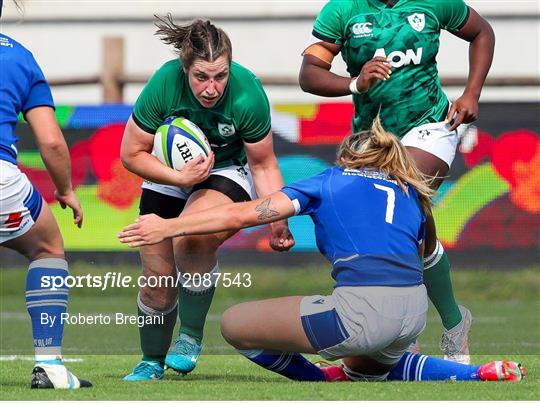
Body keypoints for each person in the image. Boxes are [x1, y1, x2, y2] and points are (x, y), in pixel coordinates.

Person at [118, 117, 524, 383]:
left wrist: (169, 225)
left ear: (348, 156)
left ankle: (318, 379)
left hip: (362, 315)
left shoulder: (330, 179)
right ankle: (474, 375)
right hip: (413, 316)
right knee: (366, 369)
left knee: (234, 325)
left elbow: (241, 215)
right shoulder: (407, 191)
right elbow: (425, 257)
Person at [298, 0, 496, 364]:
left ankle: (406, 335)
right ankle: (453, 321)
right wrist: (355, 82)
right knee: (413, 232)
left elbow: (482, 32)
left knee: (403, 199)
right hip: (370, 139)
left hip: (431, 126)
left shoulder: (435, 3)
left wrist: (472, 93)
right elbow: (309, 73)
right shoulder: (342, 10)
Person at [119, 16, 294, 381]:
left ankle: (190, 336)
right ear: (185, 69)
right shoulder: (164, 84)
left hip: (226, 170)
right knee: (157, 280)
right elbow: (132, 153)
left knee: (192, 241)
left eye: (220, 76)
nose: (212, 88)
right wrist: (178, 177)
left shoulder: (247, 93)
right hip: (168, 172)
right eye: (201, 77)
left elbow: (263, 165)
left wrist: (279, 221)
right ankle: (151, 360)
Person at [0, 1, 91, 389]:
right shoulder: (19, 57)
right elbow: (52, 142)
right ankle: (50, 366)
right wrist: (66, 189)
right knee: (48, 247)